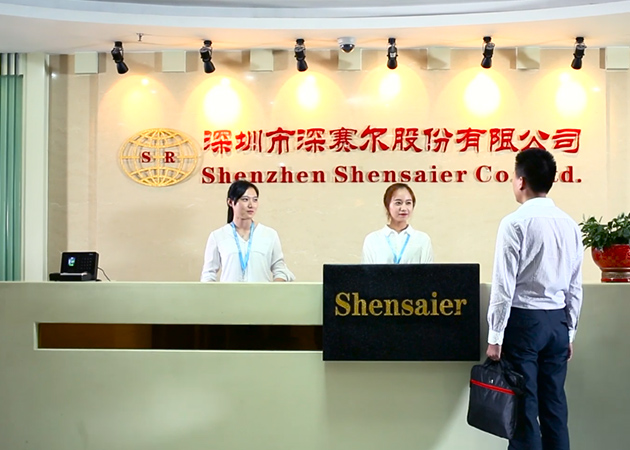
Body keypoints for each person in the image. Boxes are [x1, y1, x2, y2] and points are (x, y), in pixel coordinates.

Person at [486, 148, 583, 450]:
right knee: (554, 406)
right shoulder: (569, 224)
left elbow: (504, 285)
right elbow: (574, 285)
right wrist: (570, 332)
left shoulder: (514, 223)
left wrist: (495, 336)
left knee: (524, 408)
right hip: (557, 322)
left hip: (524, 323)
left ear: (521, 181)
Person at [200, 180, 295, 282]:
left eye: (255, 200)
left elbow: (280, 269)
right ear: (230, 202)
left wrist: (274, 287)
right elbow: (208, 274)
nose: (251, 205)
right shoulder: (218, 236)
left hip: (261, 292)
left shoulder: (269, 234)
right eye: (245, 199)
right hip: (229, 292)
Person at [361, 183, 433, 264]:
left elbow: (428, 270)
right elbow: (366, 270)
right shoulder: (372, 240)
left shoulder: (422, 239)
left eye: (408, 203)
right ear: (387, 205)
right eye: (398, 203)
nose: (404, 208)